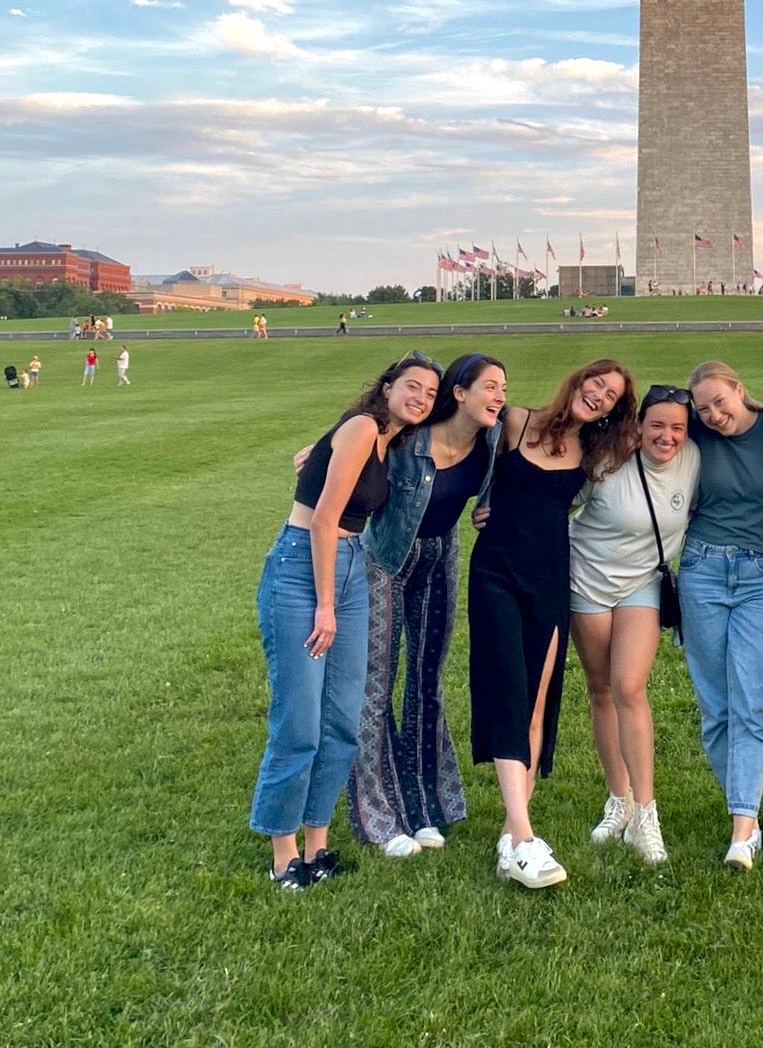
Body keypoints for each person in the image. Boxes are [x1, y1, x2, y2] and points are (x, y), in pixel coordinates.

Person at [250, 354, 441, 890]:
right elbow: (325, 520)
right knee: (299, 721)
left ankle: (318, 842)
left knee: (342, 719)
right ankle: (283, 851)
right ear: (386, 386)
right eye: (412, 386)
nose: (421, 398)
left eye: (429, 393)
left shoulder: (385, 439)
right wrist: (326, 605)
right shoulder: (362, 427)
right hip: (304, 570)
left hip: (350, 567)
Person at [469, 359, 637, 888]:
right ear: (579, 379)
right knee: (508, 692)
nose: (601, 398)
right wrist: (332, 448)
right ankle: (522, 837)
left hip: (549, 579)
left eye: (612, 397)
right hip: (495, 571)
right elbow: (442, 446)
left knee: (539, 700)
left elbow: (673, 430)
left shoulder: (595, 454)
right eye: (598, 385)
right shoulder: (513, 423)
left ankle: (511, 833)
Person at [349, 353, 508, 856]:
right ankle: (380, 814)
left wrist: (492, 506)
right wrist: (320, 449)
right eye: (490, 387)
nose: (500, 396)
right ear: (459, 393)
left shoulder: (495, 437)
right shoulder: (407, 437)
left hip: (441, 559)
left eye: (504, 388)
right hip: (386, 562)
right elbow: (355, 444)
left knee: (426, 687)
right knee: (375, 689)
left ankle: (422, 806)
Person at [570, 383, 700, 865]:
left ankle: (646, 816)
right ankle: (618, 800)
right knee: (601, 688)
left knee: (629, 688)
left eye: (678, 428)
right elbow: (554, 497)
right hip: (587, 579)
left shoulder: (695, 459)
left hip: (643, 583)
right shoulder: (608, 460)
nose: (667, 437)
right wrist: (494, 512)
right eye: (658, 426)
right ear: (639, 426)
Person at [681, 359, 763, 871]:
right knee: (716, 707)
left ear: (739, 390)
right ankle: (747, 814)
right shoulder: (693, 434)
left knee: (752, 703)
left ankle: (741, 832)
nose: (713, 414)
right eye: (703, 408)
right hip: (701, 571)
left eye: (719, 402)